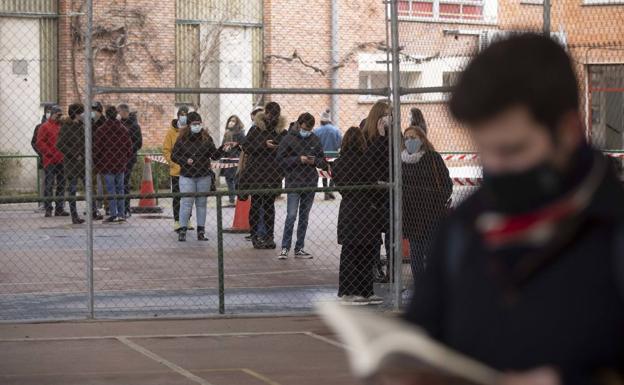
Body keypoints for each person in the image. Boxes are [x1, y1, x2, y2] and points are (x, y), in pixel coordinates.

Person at [398, 34, 624, 385]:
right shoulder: (462, 231)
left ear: (568, 131)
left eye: (512, 150)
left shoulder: (612, 232)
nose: (496, 167)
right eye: (484, 150)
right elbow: (422, 339)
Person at [333, 126, 383, 305]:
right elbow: (374, 186)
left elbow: (338, 185)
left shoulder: (338, 163)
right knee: (366, 252)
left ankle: (347, 292)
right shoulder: (366, 161)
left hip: (348, 209)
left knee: (349, 252)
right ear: (362, 141)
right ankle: (366, 291)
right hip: (367, 210)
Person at [401, 126, 452, 279]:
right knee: (415, 254)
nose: (410, 141)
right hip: (411, 215)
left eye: (413, 137)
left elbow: (446, 183)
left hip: (432, 213)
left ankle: (433, 285)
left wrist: (437, 201)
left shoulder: (433, 158)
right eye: (407, 138)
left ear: (422, 139)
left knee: (431, 253)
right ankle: (420, 286)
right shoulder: (401, 161)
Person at [276, 112, 329, 259]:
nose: (307, 131)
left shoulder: (315, 139)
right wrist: (298, 159)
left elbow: (323, 161)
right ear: (299, 124)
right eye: (305, 128)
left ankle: (299, 247)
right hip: (293, 183)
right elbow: (280, 160)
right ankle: (285, 247)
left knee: (304, 217)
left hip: (310, 183)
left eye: (310, 129)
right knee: (291, 215)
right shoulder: (288, 139)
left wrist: (314, 162)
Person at [172, 112, 229, 242]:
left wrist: (222, 149)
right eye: (194, 124)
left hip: (203, 175)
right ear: (189, 125)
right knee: (186, 203)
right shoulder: (181, 139)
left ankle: (201, 231)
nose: (197, 126)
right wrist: (185, 160)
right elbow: (174, 155)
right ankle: (182, 230)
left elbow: (214, 155)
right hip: (187, 175)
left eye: (199, 123)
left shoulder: (206, 138)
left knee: (201, 203)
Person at [239, 102, 287, 249]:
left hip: (272, 175)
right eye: (270, 114)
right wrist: (263, 145)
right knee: (256, 205)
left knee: (269, 206)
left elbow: (286, 150)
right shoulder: (255, 130)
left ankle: (268, 236)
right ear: (265, 113)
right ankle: (255, 236)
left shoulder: (282, 133)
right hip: (255, 175)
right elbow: (246, 147)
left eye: (275, 115)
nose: (271, 118)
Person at [56, 103, 101, 224]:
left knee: (89, 188)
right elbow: (60, 144)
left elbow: (97, 117)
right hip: (72, 164)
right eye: (82, 112)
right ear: (76, 114)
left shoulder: (84, 125)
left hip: (85, 164)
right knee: (72, 189)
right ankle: (74, 215)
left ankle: (93, 212)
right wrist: (75, 154)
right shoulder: (66, 127)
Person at [363, 100, 392, 282]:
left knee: (391, 231)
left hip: (390, 188)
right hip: (373, 191)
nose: (390, 118)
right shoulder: (366, 132)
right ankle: (375, 267)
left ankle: (392, 270)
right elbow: (369, 160)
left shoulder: (394, 133)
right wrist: (381, 137)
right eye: (387, 114)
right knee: (373, 232)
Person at [94, 106, 132, 223]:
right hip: (120, 164)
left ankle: (113, 213)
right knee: (120, 189)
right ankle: (121, 214)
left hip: (106, 165)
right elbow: (129, 148)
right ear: (116, 114)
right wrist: (124, 160)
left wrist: (98, 163)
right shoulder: (123, 129)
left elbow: (96, 149)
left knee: (111, 190)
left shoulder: (101, 130)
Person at [163, 106, 194, 232]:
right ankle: (177, 220)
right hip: (176, 171)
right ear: (177, 116)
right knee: (177, 197)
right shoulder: (171, 132)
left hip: (189, 171)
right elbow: (166, 150)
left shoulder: (191, 131)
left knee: (189, 197)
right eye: (181, 114)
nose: (183, 116)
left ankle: (187, 219)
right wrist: (172, 163)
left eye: (185, 114)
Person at [36, 105, 69, 217]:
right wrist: (49, 152)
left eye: (60, 115)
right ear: (52, 114)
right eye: (57, 115)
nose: (59, 117)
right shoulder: (44, 127)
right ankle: (48, 208)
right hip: (50, 160)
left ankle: (59, 208)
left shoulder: (63, 126)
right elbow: (40, 142)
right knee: (49, 184)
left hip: (61, 159)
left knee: (61, 184)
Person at [118, 104, 143, 217]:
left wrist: (127, 150)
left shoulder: (134, 126)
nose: (118, 114)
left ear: (124, 112)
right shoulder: (118, 124)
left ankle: (125, 207)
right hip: (117, 158)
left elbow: (138, 143)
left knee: (124, 182)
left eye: (119, 112)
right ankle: (120, 208)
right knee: (119, 182)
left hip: (128, 158)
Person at [314, 108, 342, 200]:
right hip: (334, 154)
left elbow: (314, 144)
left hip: (322, 155)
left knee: (324, 172)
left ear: (321, 121)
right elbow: (340, 143)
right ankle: (330, 187)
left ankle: (326, 190)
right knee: (334, 172)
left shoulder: (317, 131)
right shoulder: (336, 130)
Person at [31, 105, 53, 211]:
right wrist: (42, 153)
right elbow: (34, 142)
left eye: (51, 111)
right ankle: (43, 204)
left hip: (57, 159)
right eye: (48, 111)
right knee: (45, 181)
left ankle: (59, 204)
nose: (49, 113)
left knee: (58, 182)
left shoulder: (60, 125)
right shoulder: (39, 127)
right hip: (44, 159)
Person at [221, 115, 245, 206]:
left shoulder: (240, 133)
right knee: (228, 179)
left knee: (235, 179)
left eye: (233, 121)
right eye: (230, 120)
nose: (231, 122)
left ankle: (236, 199)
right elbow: (223, 145)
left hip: (236, 158)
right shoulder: (227, 133)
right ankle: (232, 199)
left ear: (237, 123)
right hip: (227, 158)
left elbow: (243, 146)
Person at [91, 101, 107, 214]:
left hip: (103, 157)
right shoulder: (88, 123)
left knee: (105, 183)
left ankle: (107, 206)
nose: (92, 112)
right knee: (91, 183)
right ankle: (93, 207)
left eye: (94, 110)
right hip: (91, 157)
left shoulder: (105, 123)